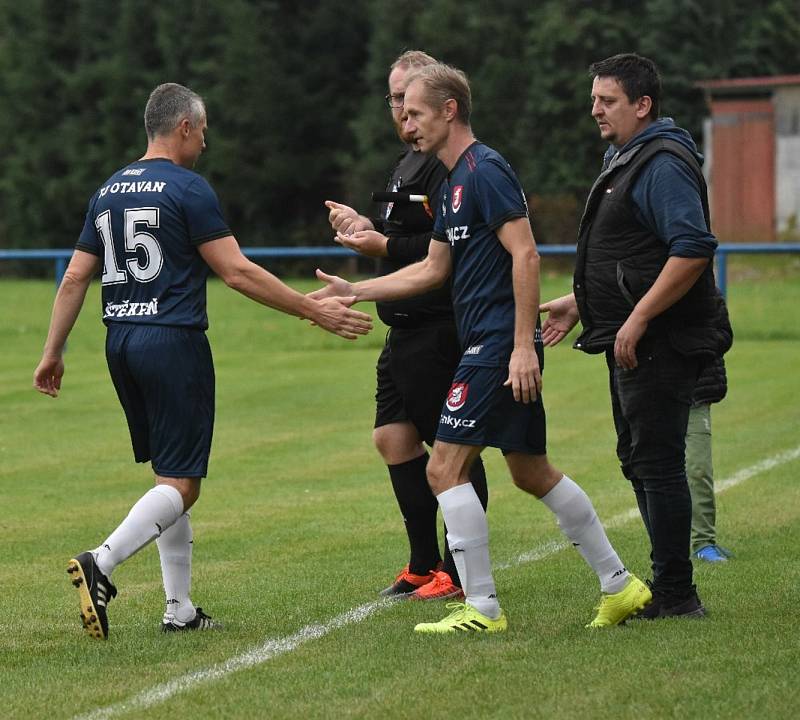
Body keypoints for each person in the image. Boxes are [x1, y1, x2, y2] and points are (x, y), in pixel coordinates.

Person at [313, 62, 650, 633]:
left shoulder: (485, 170)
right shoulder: (451, 181)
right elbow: (431, 268)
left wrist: (522, 346)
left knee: (444, 469)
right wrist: (357, 290)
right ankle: (621, 585)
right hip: (489, 342)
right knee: (531, 472)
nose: (407, 123)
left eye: (416, 112)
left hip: (495, 345)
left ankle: (483, 608)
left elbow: (527, 255)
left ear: (449, 111)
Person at [33, 83, 372, 640]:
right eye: (204, 131)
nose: (206, 143)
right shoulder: (188, 188)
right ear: (184, 127)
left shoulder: (108, 189)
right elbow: (235, 271)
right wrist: (311, 311)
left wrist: (52, 351)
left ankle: (180, 609)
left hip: (119, 340)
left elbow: (75, 275)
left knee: (167, 474)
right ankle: (103, 562)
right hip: (171, 341)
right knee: (184, 484)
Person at [540, 54, 732, 619]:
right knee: (639, 458)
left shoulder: (663, 162)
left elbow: (692, 248)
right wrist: (581, 302)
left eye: (608, 100)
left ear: (642, 104)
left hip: (662, 339)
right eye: (595, 98)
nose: (594, 108)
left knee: (658, 460)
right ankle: (669, 584)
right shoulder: (625, 156)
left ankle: (676, 594)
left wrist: (641, 317)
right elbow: (634, 253)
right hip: (633, 333)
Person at [324, 50, 488, 601]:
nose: (399, 111)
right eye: (393, 100)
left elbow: (446, 249)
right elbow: (406, 235)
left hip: (437, 324)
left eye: (407, 100)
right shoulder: (408, 162)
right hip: (402, 329)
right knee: (392, 437)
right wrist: (365, 227)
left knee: (453, 450)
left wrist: (382, 244)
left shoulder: (450, 165)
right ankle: (423, 563)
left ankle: (459, 568)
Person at [687, 356, 732, 562]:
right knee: (651, 472)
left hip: (694, 393)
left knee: (699, 468)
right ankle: (663, 544)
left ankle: (703, 542)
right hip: (652, 389)